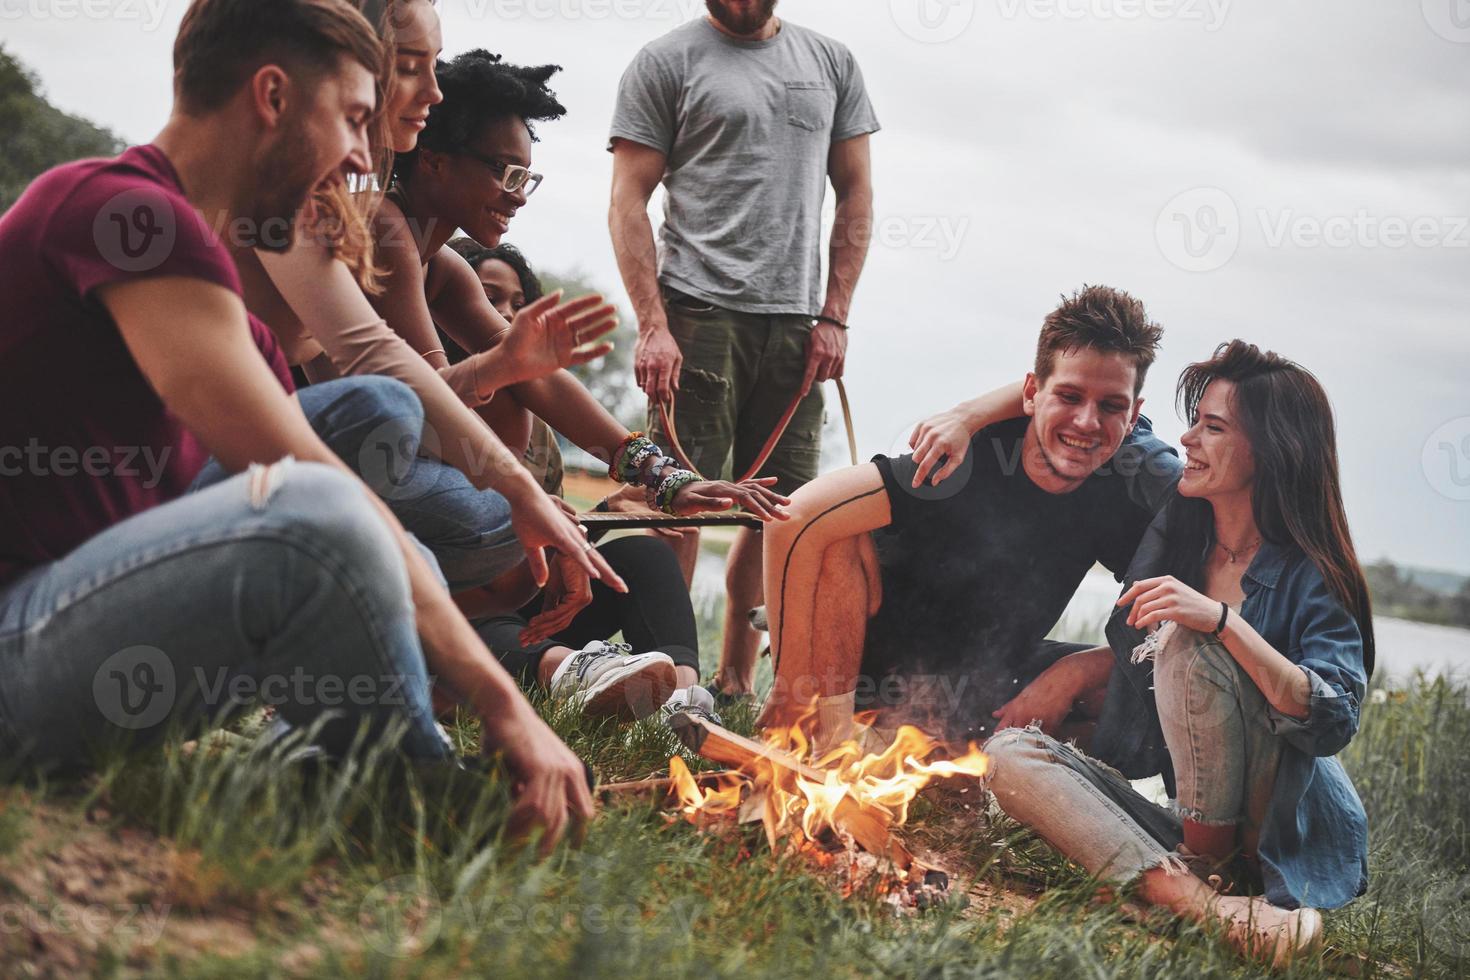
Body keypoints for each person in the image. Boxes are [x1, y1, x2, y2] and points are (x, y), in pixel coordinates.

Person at [0, 0, 592, 850]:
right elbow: (308, 476)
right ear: (272, 96)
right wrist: (504, 706)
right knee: (324, 510)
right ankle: (403, 786)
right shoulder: (117, 210)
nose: (362, 152)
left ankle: (329, 764)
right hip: (19, 650)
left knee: (394, 547)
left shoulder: (226, 308)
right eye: (353, 117)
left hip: (86, 639)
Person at [370, 47, 791, 711]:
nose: (516, 195)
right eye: (504, 172)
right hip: (384, 499)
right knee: (509, 527)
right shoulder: (385, 232)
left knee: (643, 561)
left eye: (525, 178)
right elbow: (424, 409)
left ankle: (682, 701)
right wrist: (545, 509)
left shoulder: (444, 268)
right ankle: (559, 673)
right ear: (435, 160)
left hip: (456, 516)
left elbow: (538, 381)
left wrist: (664, 478)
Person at [983, 341, 1373, 966]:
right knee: (1009, 756)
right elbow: (1103, 417)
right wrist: (964, 417)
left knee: (1191, 638)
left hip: (1270, 839)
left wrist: (1221, 623)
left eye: (1213, 427)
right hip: (1191, 828)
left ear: (1271, 451)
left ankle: (1179, 889)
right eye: (1193, 422)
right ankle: (1206, 907)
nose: (1189, 440)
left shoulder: (1315, 575)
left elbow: (1334, 716)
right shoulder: (1182, 525)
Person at [757, 286, 1180, 754]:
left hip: (987, 682)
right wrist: (789, 687)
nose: (1086, 422)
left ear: (1135, 415)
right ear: (1030, 394)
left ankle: (998, 777)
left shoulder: (1121, 490)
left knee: (1151, 689)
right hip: (874, 671)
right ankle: (828, 746)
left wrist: (1070, 674)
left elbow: (1178, 625)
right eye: (1069, 396)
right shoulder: (966, 455)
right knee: (839, 534)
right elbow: (792, 516)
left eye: (1111, 406)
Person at [609, 0, 879, 703]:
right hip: (696, 314)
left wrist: (836, 316)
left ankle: (734, 686)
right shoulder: (665, 61)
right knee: (676, 505)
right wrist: (651, 324)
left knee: (781, 512)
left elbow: (856, 194)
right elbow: (626, 199)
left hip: (798, 327)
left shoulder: (832, 63)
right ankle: (671, 681)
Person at [444, 237, 722, 723]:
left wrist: (631, 502)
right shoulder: (426, 388)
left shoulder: (538, 424)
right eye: (488, 299)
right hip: (458, 604)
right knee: (470, 620)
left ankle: (680, 703)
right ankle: (574, 673)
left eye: (517, 303)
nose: (505, 314)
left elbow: (548, 528)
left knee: (644, 554)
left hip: (537, 603)